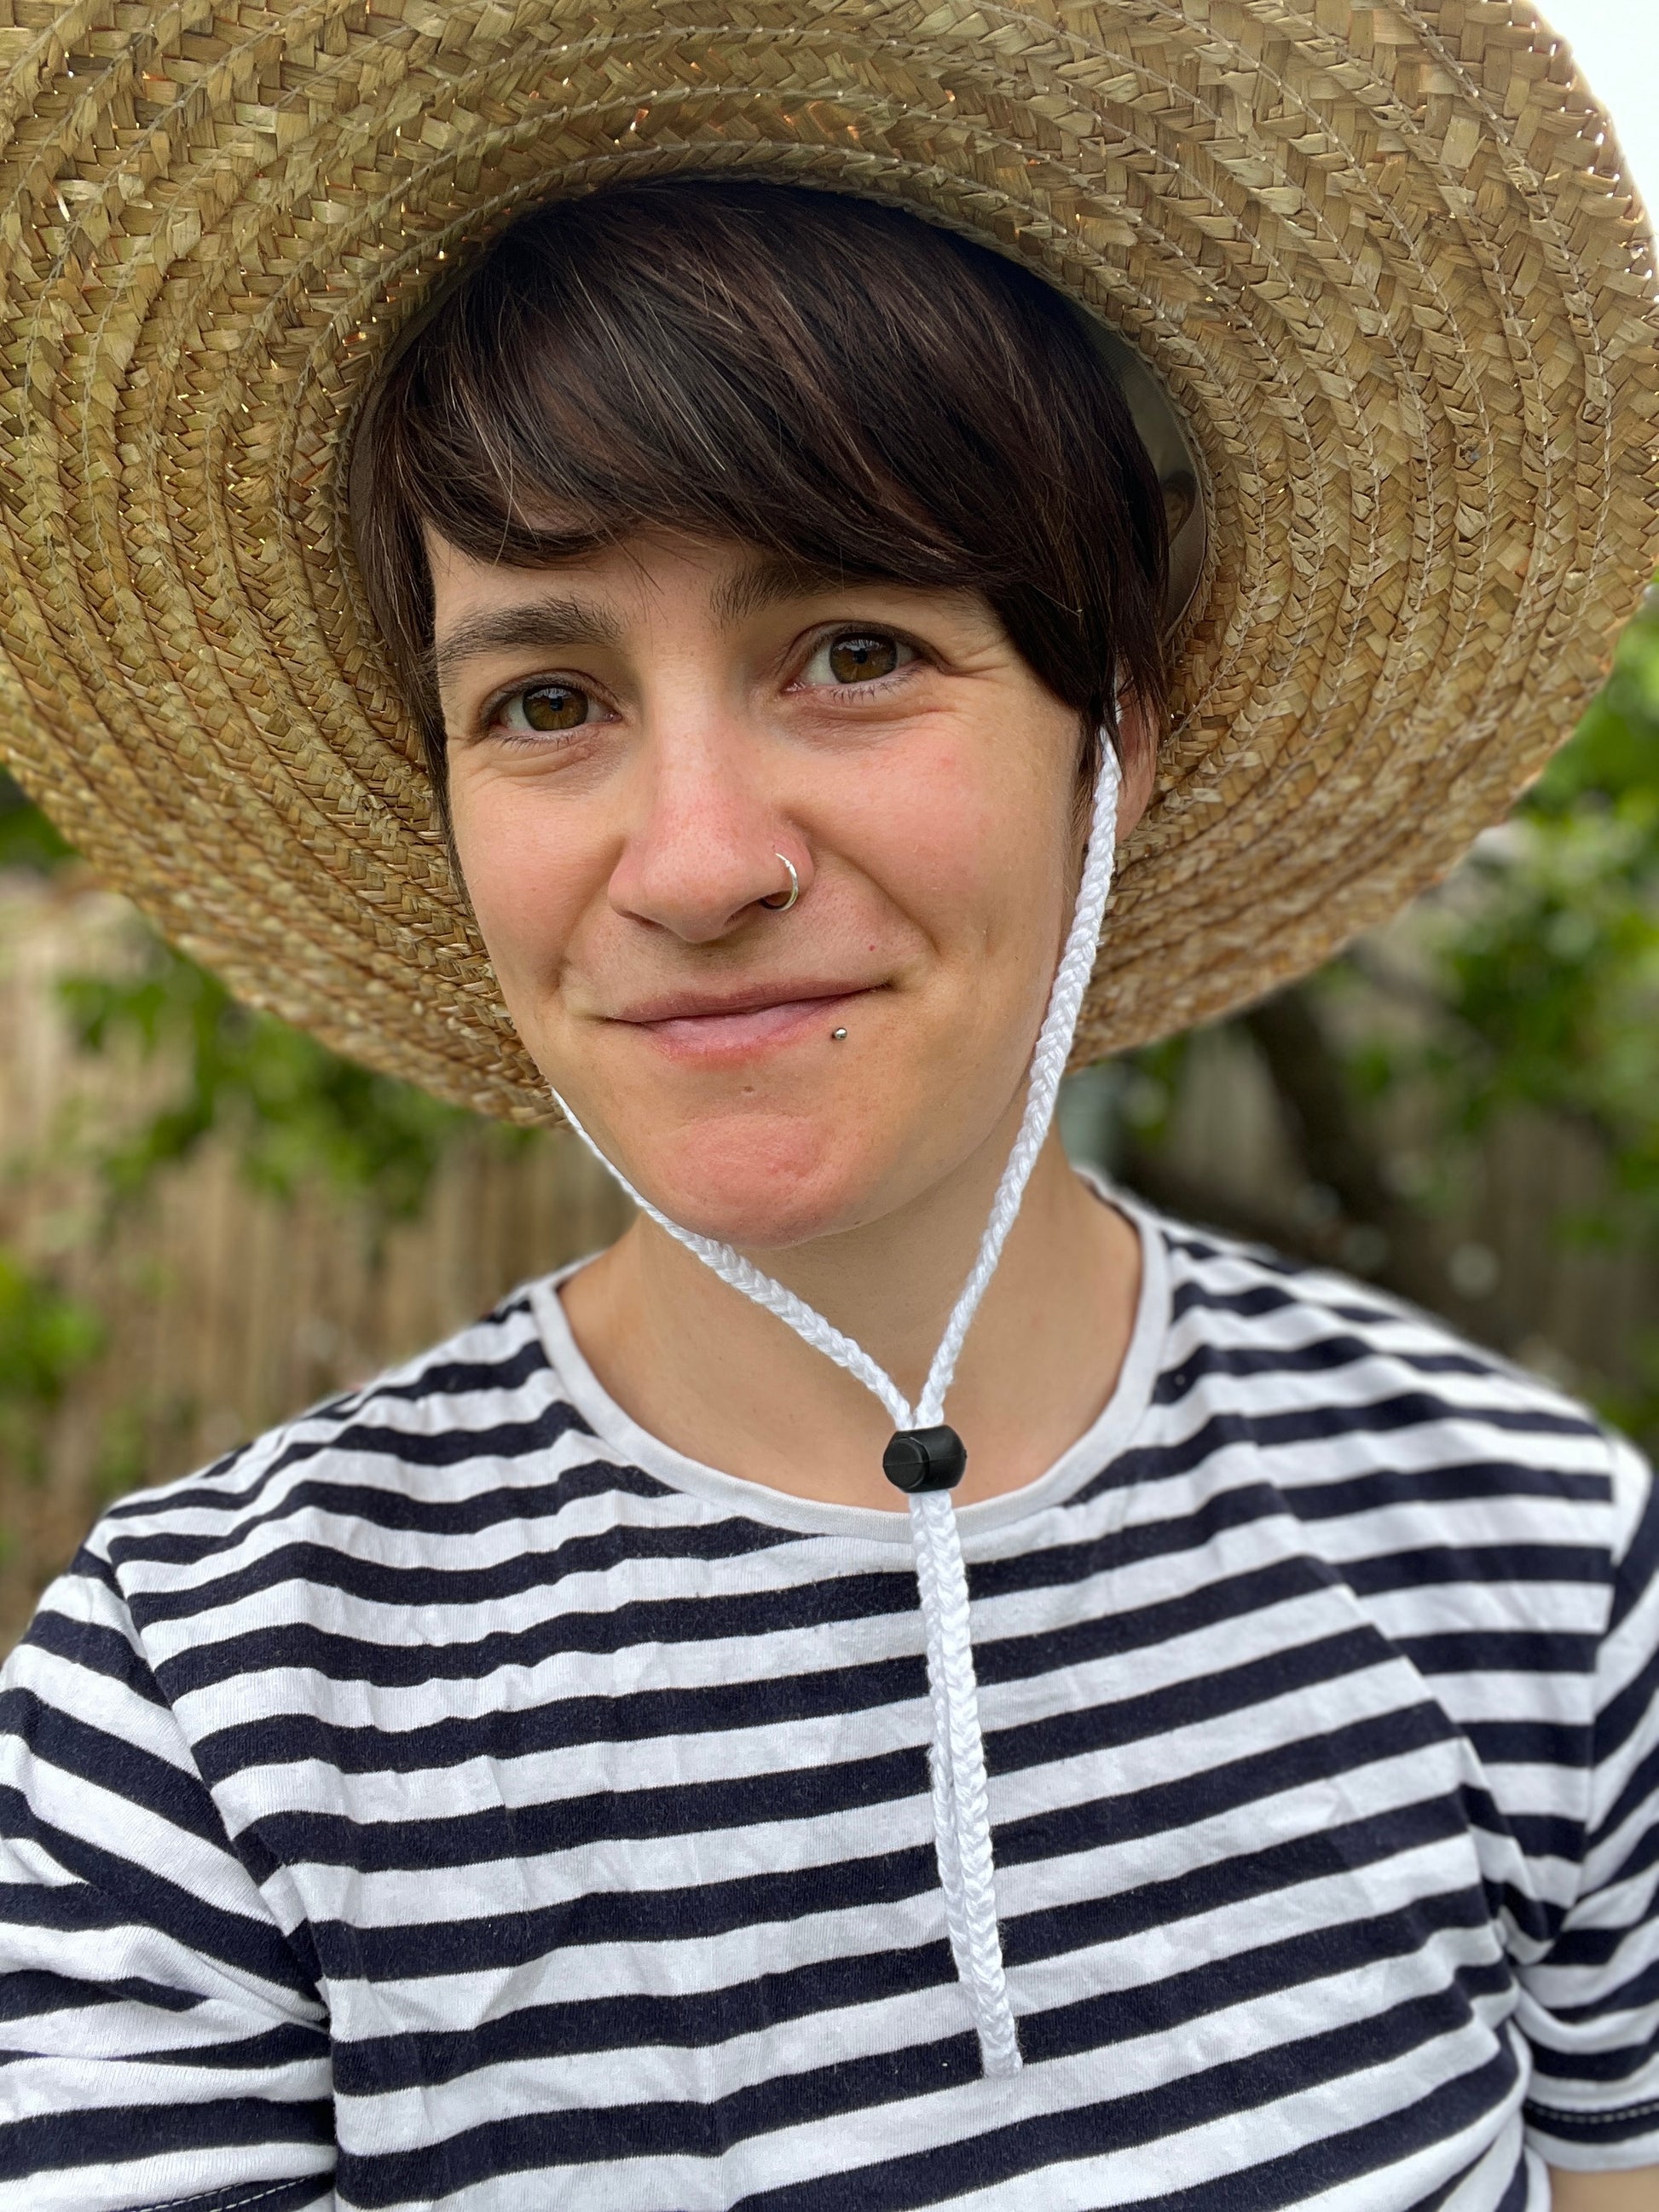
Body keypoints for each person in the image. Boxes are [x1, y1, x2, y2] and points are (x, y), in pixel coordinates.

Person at [0, 3, 1654, 2209]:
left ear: (1113, 735)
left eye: (853, 647)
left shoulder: (1528, 1564)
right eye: (547, 695)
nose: (693, 861)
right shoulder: (200, 1716)